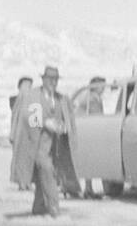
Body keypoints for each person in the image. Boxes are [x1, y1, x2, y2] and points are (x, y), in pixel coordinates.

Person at [11, 66, 77, 217]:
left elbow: (68, 118)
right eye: (50, 79)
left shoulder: (60, 98)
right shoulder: (35, 96)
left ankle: (38, 207)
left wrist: (64, 127)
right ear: (43, 80)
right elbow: (31, 119)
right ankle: (55, 209)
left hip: (55, 147)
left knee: (44, 176)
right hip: (37, 145)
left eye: (55, 80)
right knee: (48, 172)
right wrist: (47, 123)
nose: (53, 82)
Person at [78, 77, 107, 199]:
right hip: (91, 132)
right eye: (102, 86)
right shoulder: (93, 99)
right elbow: (97, 116)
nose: (104, 89)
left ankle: (89, 188)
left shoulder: (88, 97)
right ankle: (89, 189)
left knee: (89, 161)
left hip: (87, 131)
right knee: (92, 161)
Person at [9, 77, 33, 188]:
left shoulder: (32, 100)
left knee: (26, 159)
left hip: (26, 135)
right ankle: (22, 183)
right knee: (22, 159)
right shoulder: (17, 100)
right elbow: (14, 118)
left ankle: (25, 183)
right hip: (21, 134)